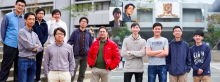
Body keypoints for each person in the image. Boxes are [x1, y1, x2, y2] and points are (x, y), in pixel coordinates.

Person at [0, 0, 26, 81]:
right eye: (19, 5)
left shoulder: (24, 18)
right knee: (6, 65)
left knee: (18, 67)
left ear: (24, 7)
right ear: (15, 5)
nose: (20, 7)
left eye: (22, 6)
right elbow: (2, 30)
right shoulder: (8, 16)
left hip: (21, 47)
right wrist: (5, 42)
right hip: (10, 45)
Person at [17, 12, 43, 82]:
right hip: (23, 60)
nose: (32, 21)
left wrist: (35, 49)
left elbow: (40, 47)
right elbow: (27, 45)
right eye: (30, 19)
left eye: (33, 19)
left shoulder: (35, 34)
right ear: (25, 20)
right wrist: (35, 45)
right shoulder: (21, 32)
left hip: (33, 60)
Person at [68, 17, 93, 82]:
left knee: (82, 73)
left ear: (87, 24)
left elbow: (91, 44)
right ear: (79, 23)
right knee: (72, 72)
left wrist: (89, 51)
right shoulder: (75, 32)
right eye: (82, 21)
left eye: (85, 22)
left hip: (85, 56)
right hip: (76, 55)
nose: (83, 22)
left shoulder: (88, 33)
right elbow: (70, 41)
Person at [32, 8, 48, 82]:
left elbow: (46, 35)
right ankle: (31, 78)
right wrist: (34, 44)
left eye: (42, 14)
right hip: (32, 46)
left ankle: (37, 78)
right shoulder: (33, 22)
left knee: (39, 63)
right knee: (31, 62)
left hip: (40, 46)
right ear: (36, 14)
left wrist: (40, 43)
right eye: (39, 13)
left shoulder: (45, 24)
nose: (41, 15)